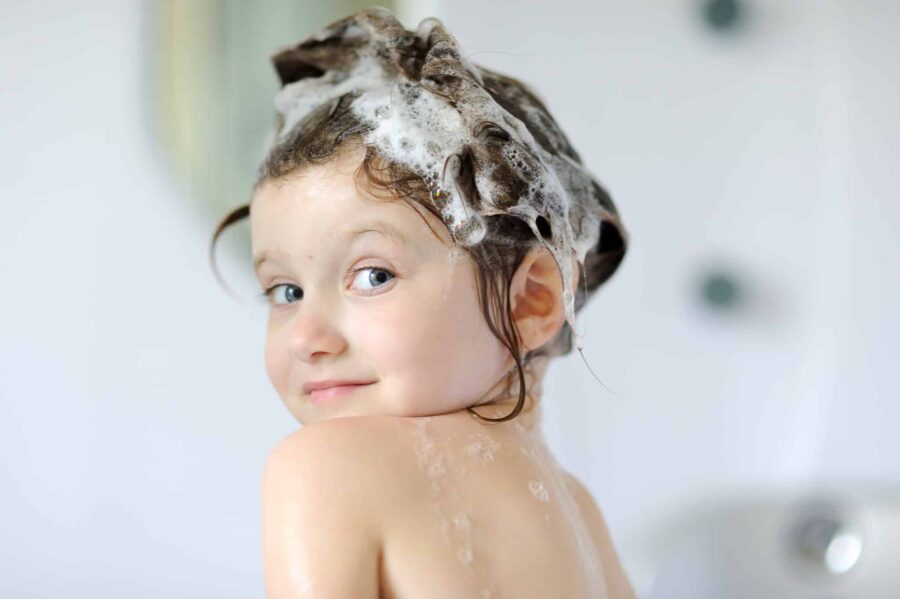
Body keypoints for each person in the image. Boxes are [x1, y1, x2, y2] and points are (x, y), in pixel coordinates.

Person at [211, 7, 633, 598]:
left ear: (532, 300)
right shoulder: (575, 512)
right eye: (287, 291)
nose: (307, 337)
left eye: (373, 276)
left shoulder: (327, 467)